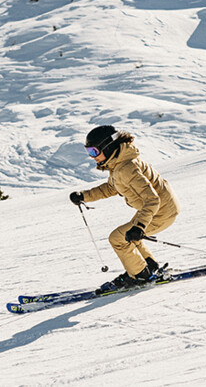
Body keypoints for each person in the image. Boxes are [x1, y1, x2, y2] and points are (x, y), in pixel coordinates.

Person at [70, 125, 180, 291]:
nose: (92, 157)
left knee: (118, 239)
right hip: (160, 209)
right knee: (129, 236)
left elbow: (152, 199)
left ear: (108, 147)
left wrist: (140, 226)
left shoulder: (127, 168)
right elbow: (111, 188)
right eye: (88, 152)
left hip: (161, 212)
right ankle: (149, 266)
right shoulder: (119, 164)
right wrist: (84, 196)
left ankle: (139, 275)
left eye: (94, 151)